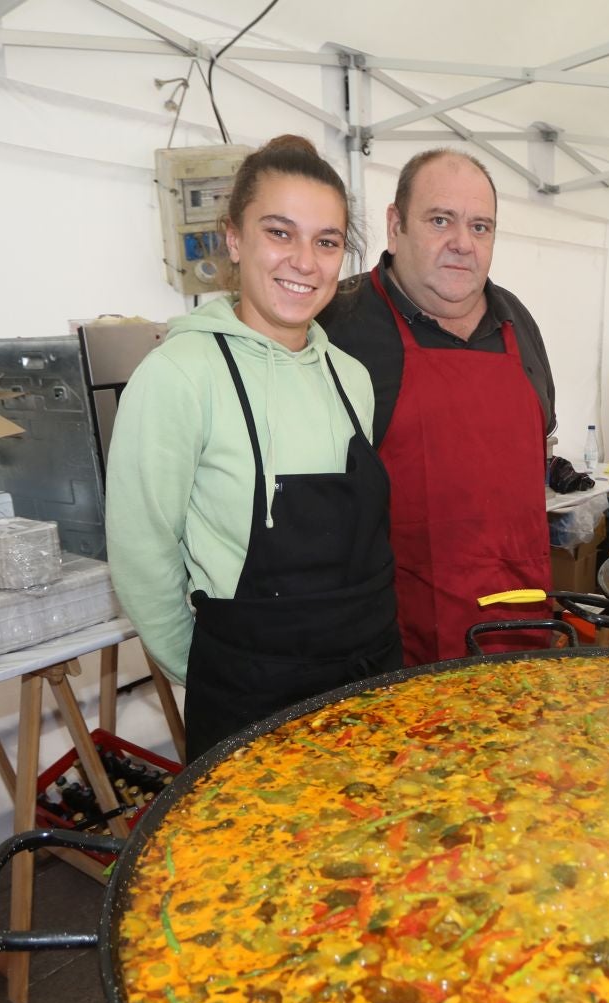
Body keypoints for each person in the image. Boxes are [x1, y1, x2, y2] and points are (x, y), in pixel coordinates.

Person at [107, 135, 400, 761]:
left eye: (325, 242)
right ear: (234, 239)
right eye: (279, 232)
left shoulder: (350, 377)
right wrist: (212, 668)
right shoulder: (179, 375)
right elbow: (142, 552)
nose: (304, 261)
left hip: (368, 675)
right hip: (253, 692)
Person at [319, 148, 558, 665]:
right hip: (389, 645)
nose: (461, 244)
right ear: (395, 225)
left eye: (480, 227)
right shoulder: (336, 325)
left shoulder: (519, 322)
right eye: (440, 220)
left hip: (517, 628)